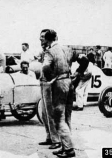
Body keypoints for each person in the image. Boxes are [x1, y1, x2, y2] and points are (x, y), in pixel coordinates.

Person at [40, 29, 75, 157]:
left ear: (48, 39)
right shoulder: (67, 49)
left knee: (58, 118)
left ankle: (69, 149)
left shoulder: (49, 51)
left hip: (59, 84)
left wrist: (50, 79)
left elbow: (45, 67)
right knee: (67, 117)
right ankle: (64, 145)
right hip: (69, 82)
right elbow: (84, 60)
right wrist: (77, 74)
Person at [38, 30, 61, 151]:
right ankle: (49, 136)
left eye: (43, 37)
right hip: (42, 83)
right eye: (40, 37)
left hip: (49, 84)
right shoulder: (44, 51)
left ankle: (56, 140)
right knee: (44, 112)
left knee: (50, 112)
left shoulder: (53, 51)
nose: (41, 39)